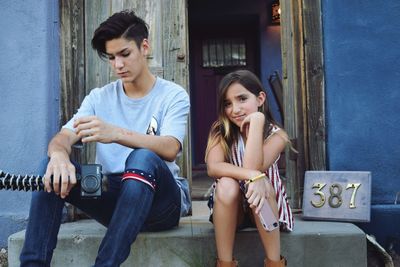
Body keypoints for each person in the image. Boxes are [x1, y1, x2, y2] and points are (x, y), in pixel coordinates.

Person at [20, 10, 190, 267]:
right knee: (50, 168)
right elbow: (63, 137)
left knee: (142, 157)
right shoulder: (99, 97)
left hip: (161, 203)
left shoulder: (172, 95)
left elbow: (170, 147)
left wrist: (117, 134)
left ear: (144, 47)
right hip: (113, 194)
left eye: (124, 54)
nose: (118, 65)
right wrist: (58, 155)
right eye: (111, 58)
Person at [205, 70, 293, 267]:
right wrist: (253, 176)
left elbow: (254, 166)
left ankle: (274, 262)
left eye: (242, 99)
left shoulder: (277, 136)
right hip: (230, 211)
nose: (235, 109)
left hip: (266, 211)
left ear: (260, 98)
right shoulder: (220, 130)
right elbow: (214, 167)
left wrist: (257, 122)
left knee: (263, 185)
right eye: (228, 103)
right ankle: (225, 263)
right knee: (227, 184)